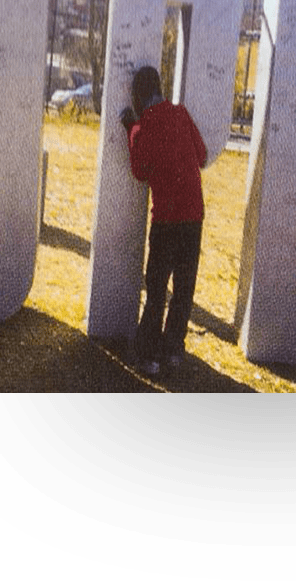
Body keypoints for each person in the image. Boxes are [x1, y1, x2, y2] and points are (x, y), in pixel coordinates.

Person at [120, 66, 207, 376]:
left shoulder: (145, 125)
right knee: (183, 288)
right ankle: (173, 350)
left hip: (167, 219)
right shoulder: (180, 114)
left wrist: (131, 127)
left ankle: (148, 355)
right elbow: (202, 155)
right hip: (193, 215)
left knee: (156, 288)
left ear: (139, 96)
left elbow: (140, 170)